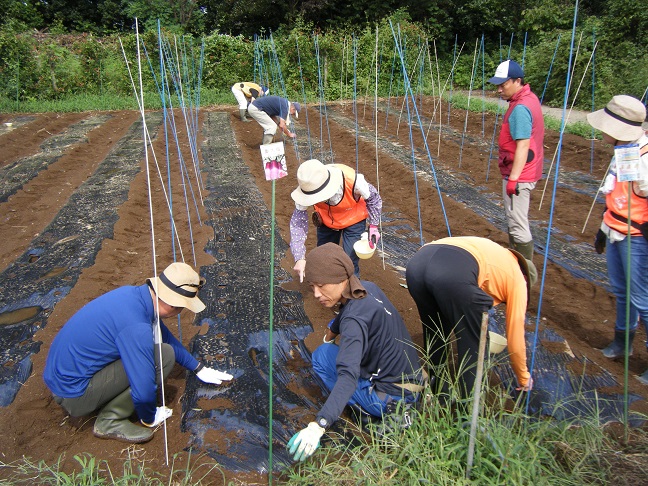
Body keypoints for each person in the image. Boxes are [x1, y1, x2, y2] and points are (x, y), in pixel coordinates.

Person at [43, 262, 233, 443]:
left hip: (60, 377)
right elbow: (143, 390)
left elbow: (163, 335)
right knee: (164, 357)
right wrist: (150, 416)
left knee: (158, 350)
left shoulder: (135, 297)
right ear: (174, 304)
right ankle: (110, 420)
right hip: (75, 395)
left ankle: (107, 402)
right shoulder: (136, 327)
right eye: (182, 307)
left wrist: (198, 368)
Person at [286, 243, 424, 462]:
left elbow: (348, 377)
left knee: (322, 358)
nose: (316, 294)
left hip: (391, 397)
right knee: (329, 351)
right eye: (312, 286)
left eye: (321, 286)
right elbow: (346, 312)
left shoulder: (353, 322)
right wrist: (333, 329)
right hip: (412, 379)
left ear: (341, 278)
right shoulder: (367, 288)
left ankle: (371, 412)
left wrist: (318, 425)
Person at [405, 236, 537, 399]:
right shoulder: (518, 281)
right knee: (474, 341)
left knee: (436, 331)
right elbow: (515, 335)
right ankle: (469, 411)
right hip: (451, 275)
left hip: (417, 265)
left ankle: (439, 392)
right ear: (526, 278)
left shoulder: (494, 252)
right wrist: (523, 378)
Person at [587, 95, 648, 384]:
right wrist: (603, 227)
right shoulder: (623, 151)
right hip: (615, 230)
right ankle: (622, 343)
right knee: (623, 293)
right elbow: (618, 194)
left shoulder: (644, 156)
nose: (602, 131)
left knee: (642, 299)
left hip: (637, 237)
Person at [488, 60, 545, 261]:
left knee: (517, 224)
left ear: (517, 81)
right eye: (498, 85)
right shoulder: (529, 99)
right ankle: (518, 265)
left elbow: (523, 145)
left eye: (503, 85)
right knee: (517, 221)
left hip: (520, 174)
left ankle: (523, 273)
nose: (499, 90)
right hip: (526, 170)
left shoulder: (521, 108)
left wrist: (514, 179)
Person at [289, 159, 382, 281]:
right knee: (324, 256)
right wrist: (299, 257)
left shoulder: (354, 182)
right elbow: (298, 224)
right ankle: (328, 286)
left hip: (354, 219)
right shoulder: (308, 185)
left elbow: (374, 199)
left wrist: (373, 226)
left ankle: (351, 290)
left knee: (349, 259)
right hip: (326, 221)